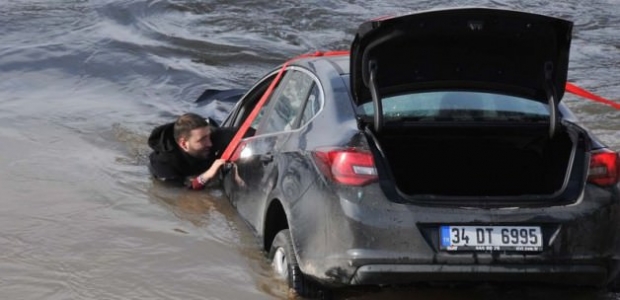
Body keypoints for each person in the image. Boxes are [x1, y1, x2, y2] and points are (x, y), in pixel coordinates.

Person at [148, 112, 237, 190]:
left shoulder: (215, 136)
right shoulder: (164, 163)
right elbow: (181, 194)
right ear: (183, 144)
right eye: (202, 140)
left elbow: (247, 133)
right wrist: (207, 175)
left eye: (208, 136)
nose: (209, 143)